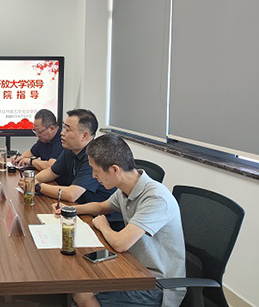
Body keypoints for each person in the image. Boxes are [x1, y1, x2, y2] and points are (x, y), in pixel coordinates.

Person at [55, 133, 186, 307]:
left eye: (96, 170)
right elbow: (101, 207)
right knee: (76, 275)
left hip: (156, 285)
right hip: (131, 266)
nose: (93, 176)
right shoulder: (126, 189)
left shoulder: (156, 198)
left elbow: (120, 244)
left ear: (115, 170)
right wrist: (70, 210)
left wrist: (103, 226)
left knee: (81, 291)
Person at [20, 110, 121, 228]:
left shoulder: (94, 156)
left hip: (105, 220)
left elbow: (72, 194)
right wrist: (30, 180)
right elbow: (51, 172)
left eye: (67, 130)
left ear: (84, 136)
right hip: (81, 209)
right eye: (63, 128)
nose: (62, 133)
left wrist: (37, 186)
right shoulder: (70, 149)